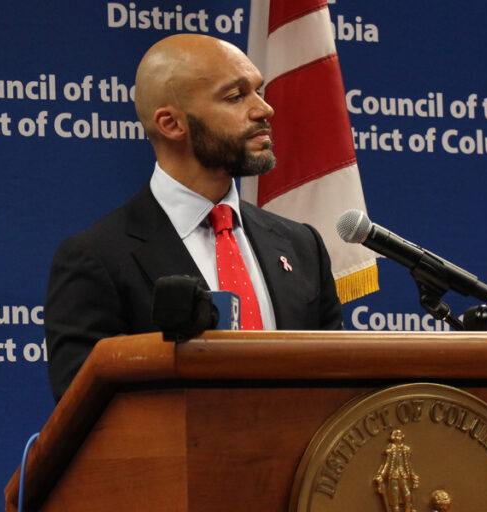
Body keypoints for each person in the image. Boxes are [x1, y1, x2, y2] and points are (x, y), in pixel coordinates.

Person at [44, 34, 342, 402]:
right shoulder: (97, 257)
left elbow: (335, 387)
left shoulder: (302, 246)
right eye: (236, 97)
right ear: (171, 124)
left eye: (258, 91)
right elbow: (85, 409)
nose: (264, 109)